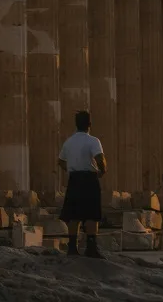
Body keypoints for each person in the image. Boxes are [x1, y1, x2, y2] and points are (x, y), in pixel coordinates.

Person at [57, 109, 106, 258]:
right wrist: (102, 170)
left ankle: (72, 247)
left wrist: (71, 169)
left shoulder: (69, 141)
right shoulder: (93, 141)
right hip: (89, 178)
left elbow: (60, 161)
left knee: (73, 214)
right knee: (91, 213)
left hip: (74, 179)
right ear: (89, 124)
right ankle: (91, 247)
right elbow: (99, 158)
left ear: (76, 124)